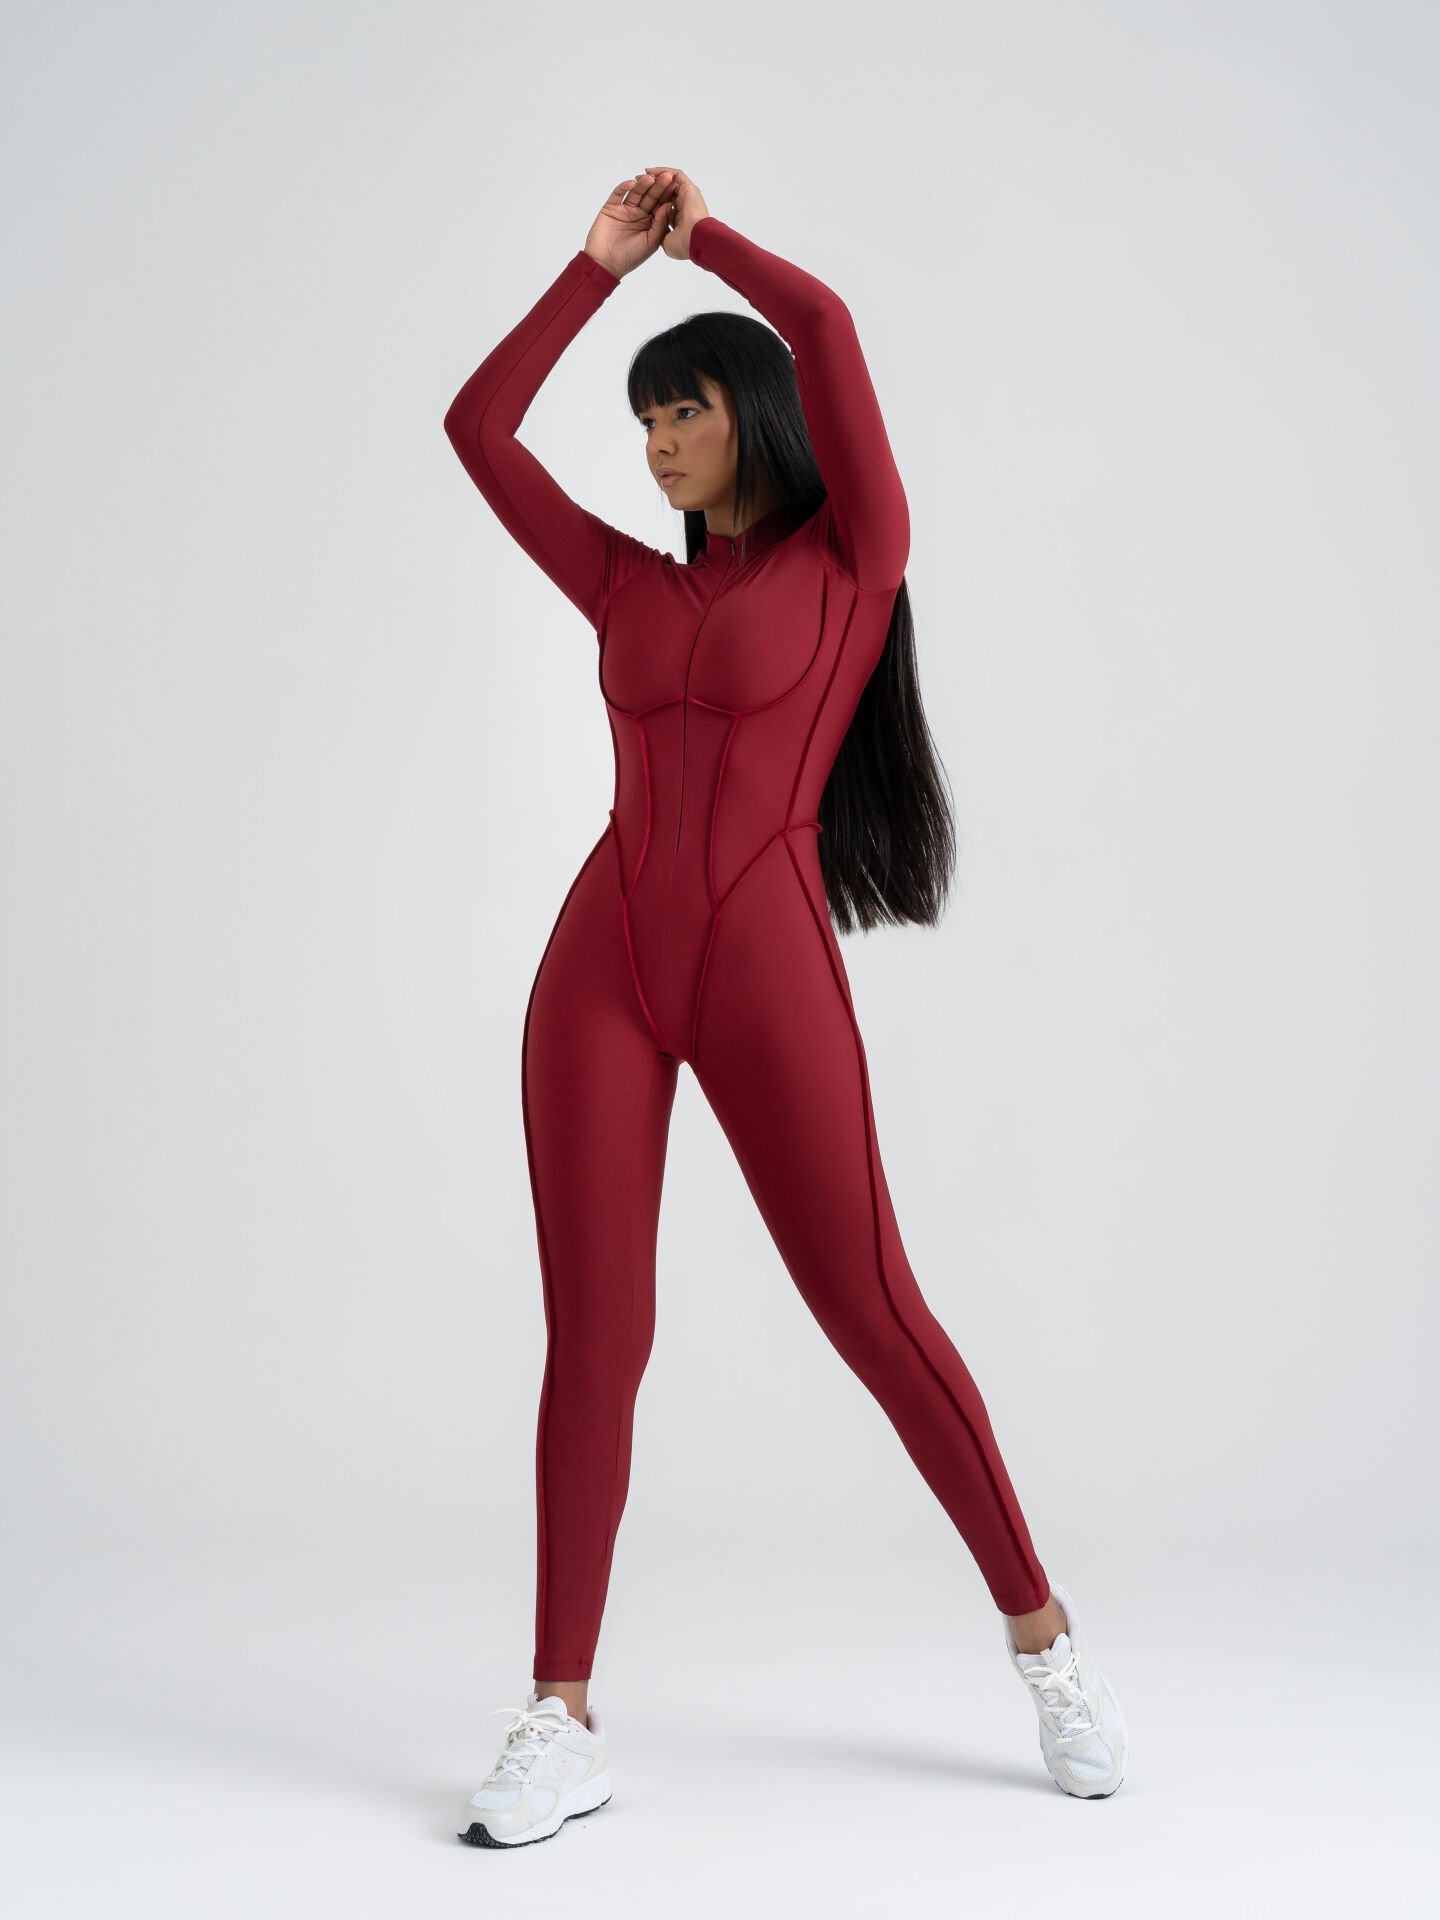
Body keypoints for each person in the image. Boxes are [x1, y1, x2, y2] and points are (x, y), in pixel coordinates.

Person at [443, 168, 1128, 1847]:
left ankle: (1045, 1646)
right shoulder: (625, 587)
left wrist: (697, 243)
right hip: (599, 968)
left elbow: (825, 324)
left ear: (752, 414)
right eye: (644, 418)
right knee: (594, 1339)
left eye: (683, 410)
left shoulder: (854, 560)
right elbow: (477, 429)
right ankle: (559, 1715)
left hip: (762, 970)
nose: (657, 442)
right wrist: (586, 275)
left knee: (871, 1309)